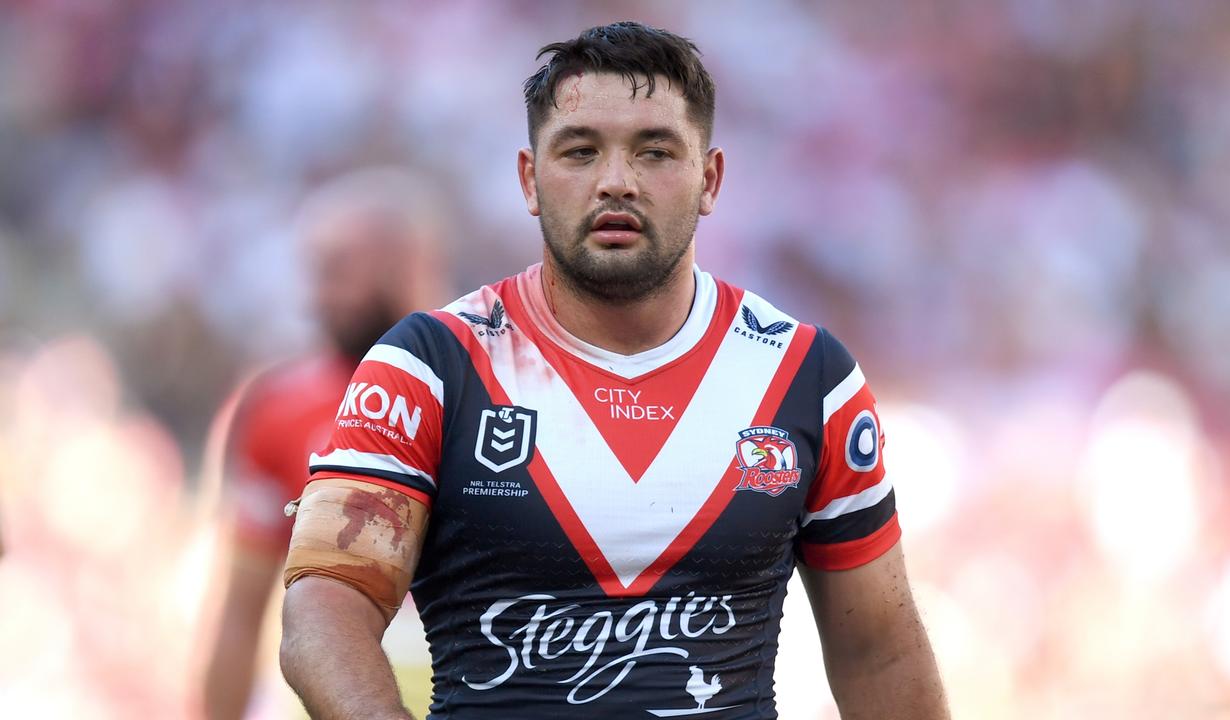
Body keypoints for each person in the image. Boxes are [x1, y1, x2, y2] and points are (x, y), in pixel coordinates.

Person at [279, 22, 950, 720]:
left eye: (655, 151)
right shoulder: (427, 366)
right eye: (580, 151)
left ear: (710, 178)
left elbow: (879, 649)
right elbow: (323, 609)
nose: (616, 181)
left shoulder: (806, 377)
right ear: (530, 179)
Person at [201, 168, 451, 719]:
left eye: (338, 270)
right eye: (313, 273)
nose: (319, 296)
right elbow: (240, 612)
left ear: (407, 264)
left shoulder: (494, 388)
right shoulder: (277, 407)